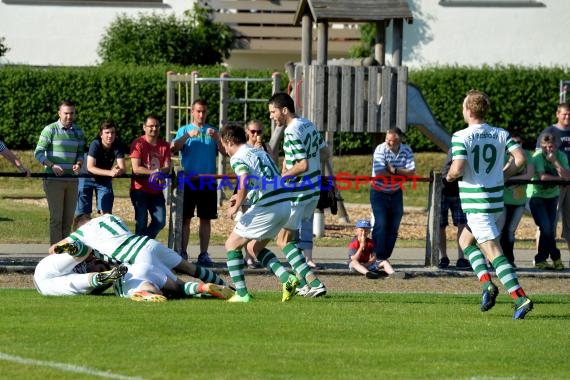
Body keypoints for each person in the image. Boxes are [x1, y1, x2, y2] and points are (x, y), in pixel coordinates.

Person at [446, 89, 533, 319]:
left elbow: (458, 168)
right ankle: (487, 285)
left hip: (477, 203)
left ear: (468, 110)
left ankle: (520, 298)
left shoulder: (460, 136)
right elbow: (521, 159)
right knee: (466, 241)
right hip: (495, 202)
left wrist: (449, 177)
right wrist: (504, 175)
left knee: (493, 252)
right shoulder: (500, 133)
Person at [51, 213, 232, 300]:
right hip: (148, 244)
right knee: (190, 268)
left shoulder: (83, 232)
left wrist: (62, 249)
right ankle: (229, 289)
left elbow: (54, 248)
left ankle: (147, 293)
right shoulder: (109, 217)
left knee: (177, 287)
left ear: (80, 227)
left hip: (134, 258)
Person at [220, 124, 300, 302]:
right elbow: (265, 178)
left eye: (224, 145)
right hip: (285, 204)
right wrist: (242, 196)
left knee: (231, 244)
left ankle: (241, 294)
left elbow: (245, 179)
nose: (224, 150)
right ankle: (288, 280)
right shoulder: (260, 151)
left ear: (229, 141)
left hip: (269, 206)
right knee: (253, 247)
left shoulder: (237, 157)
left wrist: (237, 204)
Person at [268, 92, 328, 297]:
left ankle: (315, 282)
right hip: (313, 190)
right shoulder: (307, 124)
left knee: (282, 241)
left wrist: (283, 177)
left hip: (298, 192)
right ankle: (303, 284)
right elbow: (324, 152)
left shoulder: (291, 131)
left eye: (273, 112)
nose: (272, 116)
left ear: (284, 110)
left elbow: (301, 165)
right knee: (291, 240)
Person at [170, 99, 224, 267]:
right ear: (192, 112)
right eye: (198, 111)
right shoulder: (184, 130)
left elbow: (225, 151)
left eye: (204, 112)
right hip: (188, 181)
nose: (201, 115)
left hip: (208, 181)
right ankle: (183, 254)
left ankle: (203, 254)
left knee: (205, 219)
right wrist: (187, 136)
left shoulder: (213, 131)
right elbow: (173, 148)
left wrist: (216, 137)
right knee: (186, 218)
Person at [34, 99, 85, 244]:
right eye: (66, 113)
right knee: (56, 218)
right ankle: (55, 253)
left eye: (72, 113)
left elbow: (80, 153)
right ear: (59, 113)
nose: (69, 116)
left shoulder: (79, 131)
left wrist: (79, 163)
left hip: (72, 179)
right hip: (53, 179)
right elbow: (38, 153)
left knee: (68, 219)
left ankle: (65, 252)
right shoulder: (50, 129)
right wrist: (52, 165)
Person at [370, 127, 416, 267]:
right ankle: (377, 255)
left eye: (391, 141)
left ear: (399, 140)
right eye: (387, 140)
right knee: (381, 223)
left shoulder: (407, 150)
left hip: (396, 192)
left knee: (394, 226)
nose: (388, 143)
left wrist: (394, 170)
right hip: (378, 191)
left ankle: (384, 256)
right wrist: (401, 174)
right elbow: (379, 172)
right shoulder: (380, 149)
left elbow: (412, 172)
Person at [527, 133, 570, 270]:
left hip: (553, 196)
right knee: (546, 228)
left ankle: (541, 259)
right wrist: (560, 178)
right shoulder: (537, 157)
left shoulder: (561, 156)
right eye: (545, 147)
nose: (548, 150)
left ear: (556, 146)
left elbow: (568, 177)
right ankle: (556, 258)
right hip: (537, 195)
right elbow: (543, 177)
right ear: (541, 146)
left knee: (549, 229)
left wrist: (555, 162)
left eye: (551, 147)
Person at [536, 103, 570, 261]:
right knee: (549, 224)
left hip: (568, 181)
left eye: (569, 114)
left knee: (568, 223)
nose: (567, 117)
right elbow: (539, 158)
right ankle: (541, 258)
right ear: (557, 114)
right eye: (564, 114)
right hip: (552, 187)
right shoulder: (549, 132)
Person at [130, 115, 171, 239]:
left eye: (156, 126)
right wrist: (156, 172)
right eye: (151, 126)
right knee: (141, 222)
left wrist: (158, 171)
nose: (154, 128)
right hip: (139, 189)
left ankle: (141, 243)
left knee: (160, 221)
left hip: (156, 191)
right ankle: (139, 250)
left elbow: (167, 167)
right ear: (144, 127)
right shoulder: (138, 143)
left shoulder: (165, 145)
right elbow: (136, 168)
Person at [34, 243, 127, 297]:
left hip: (48, 288)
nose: (98, 270)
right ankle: (72, 249)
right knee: (83, 253)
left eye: (101, 272)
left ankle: (100, 278)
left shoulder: (88, 285)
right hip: (43, 271)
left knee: (82, 285)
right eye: (100, 269)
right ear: (95, 262)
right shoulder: (88, 260)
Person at [76, 120, 126, 216]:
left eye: (112, 132)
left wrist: (119, 170)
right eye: (107, 133)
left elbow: (123, 168)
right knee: (83, 214)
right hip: (86, 177)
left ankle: (103, 230)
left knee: (106, 213)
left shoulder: (118, 144)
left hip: (104, 179)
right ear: (101, 134)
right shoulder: (95, 144)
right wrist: (110, 172)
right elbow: (90, 167)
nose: (110, 136)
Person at [500, 134, 534, 267]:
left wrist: (510, 178)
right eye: (513, 143)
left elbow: (529, 175)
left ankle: (509, 260)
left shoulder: (527, 155)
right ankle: (498, 260)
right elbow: (499, 174)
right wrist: (510, 161)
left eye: (519, 142)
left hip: (519, 201)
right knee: (500, 231)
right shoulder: (502, 156)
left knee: (510, 232)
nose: (516, 145)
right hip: (502, 200)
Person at [439, 149, 470, 270]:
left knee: (462, 224)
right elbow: (447, 173)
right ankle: (443, 257)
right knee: (440, 225)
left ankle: (461, 258)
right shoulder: (456, 149)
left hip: (460, 192)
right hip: (444, 191)